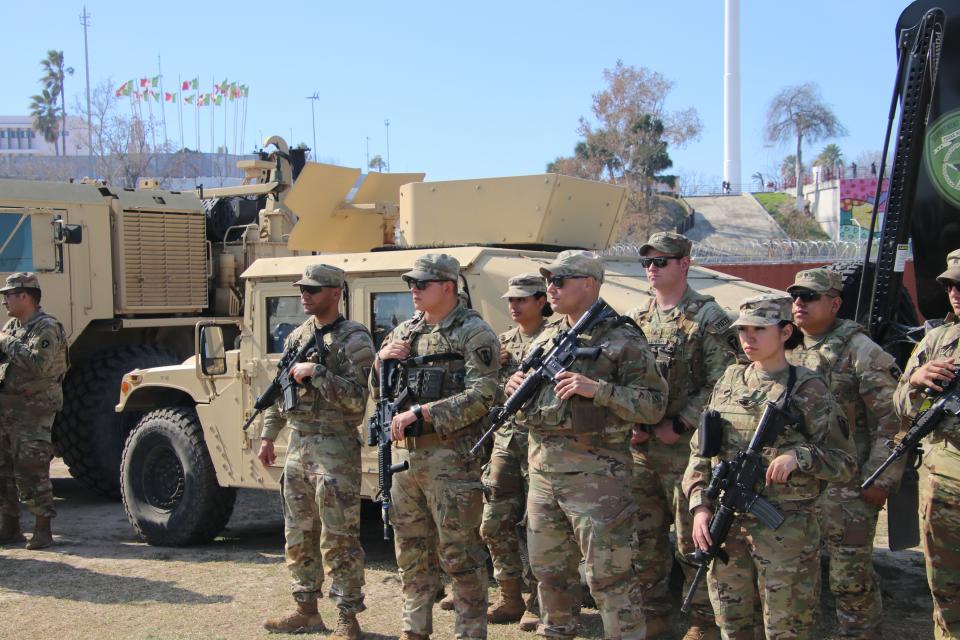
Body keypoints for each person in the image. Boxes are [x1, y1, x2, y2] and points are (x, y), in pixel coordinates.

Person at [507, 250, 668, 639]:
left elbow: (653, 404)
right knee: (549, 574)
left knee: (609, 579)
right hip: (543, 473)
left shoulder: (622, 336)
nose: (551, 288)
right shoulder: (548, 335)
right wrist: (511, 386)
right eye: (549, 280)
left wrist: (600, 390)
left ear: (589, 284)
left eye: (560, 281)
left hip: (597, 480)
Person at [684, 293, 857, 639]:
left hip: (786, 532)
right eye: (743, 330)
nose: (748, 338)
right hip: (726, 526)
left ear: (785, 332)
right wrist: (699, 505)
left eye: (759, 330)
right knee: (732, 624)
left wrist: (800, 457)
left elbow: (845, 462)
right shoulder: (730, 380)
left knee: (786, 627)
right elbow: (700, 452)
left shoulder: (808, 388)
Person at [373, 253, 500, 640]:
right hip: (405, 460)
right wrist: (381, 363)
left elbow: (484, 395)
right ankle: (414, 630)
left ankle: (469, 632)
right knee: (410, 551)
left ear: (448, 286)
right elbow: (381, 395)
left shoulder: (474, 332)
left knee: (460, 553)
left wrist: (425, 412)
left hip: (451, 459)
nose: (413, 290)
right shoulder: (405, 332)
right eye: (411, 283)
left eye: (421, 284)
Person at [627, 232, 738, 640]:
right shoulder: (639, 317)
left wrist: (680, 424)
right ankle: (654, 615)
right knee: (643, 538)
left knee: (692, 536)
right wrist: (634, 423)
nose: (652, 269)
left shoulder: (708, 318)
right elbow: (629, 378)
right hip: (642, 448)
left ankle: (703, 620)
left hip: (685, 449)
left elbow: (723, 383)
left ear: (684, 263)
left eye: (662, 261)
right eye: (647, 263)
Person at [259, 264, 375, 640]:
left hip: (335, 447)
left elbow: (358, 401)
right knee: (298, 532)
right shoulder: (298, 335)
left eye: (313, 289)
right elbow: (280, 391)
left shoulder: (354, 338)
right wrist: (267, 435)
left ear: (335, 292)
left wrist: (318, 373)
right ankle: (306, 609)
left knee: (339, 536)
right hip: (298, 444)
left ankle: (347, 617)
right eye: (302, 289)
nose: (304, 295)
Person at [786, 268, 903, 639]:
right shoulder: (789, 347)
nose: (799, 304)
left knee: (849, 579)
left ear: (835, 303)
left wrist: (879, 479)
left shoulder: (861, 352)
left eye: (809, 297)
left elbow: (894, 421)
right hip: (798, 482)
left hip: (847, 486)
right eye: (795, 297)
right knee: (794, 572)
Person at [894, 248, 960, 640]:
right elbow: (900, 405)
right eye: (951, 285)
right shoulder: (937, 341)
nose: (955, 293)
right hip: (943, 488)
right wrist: (918, 379)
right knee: (946, 594)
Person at [0, 272, 69, 550]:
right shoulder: (12, 326)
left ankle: (43, 529)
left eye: (9, 295)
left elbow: (38, 364)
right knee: (4, 468)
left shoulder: (47, 327)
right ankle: (9, 527)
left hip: (34, 409)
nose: (5, 300)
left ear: (25, 296)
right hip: (8, 408)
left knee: (32, 466)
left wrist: (6, 342)